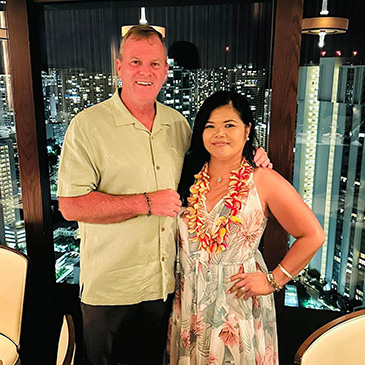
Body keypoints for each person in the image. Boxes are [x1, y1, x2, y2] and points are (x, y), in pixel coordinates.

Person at [57, 26, 270, 365]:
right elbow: (70, 206)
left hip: (167, 287)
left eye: (155, 64)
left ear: (166, 70)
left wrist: (254, 158)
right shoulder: (87, 126)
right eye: (136, 62)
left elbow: (213, 166)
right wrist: (145, 203)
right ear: (119, 66)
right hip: (111, 288)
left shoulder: (179, 125)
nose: (146, 72)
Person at [168, 91, 325, 364]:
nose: (219, 134)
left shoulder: (262, 180)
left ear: (247, 129)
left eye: (230, 125)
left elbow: (313, 235)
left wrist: (273, 280)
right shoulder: (187, 175)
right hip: (189, 299)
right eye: (210, 126)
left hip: (236, 305)